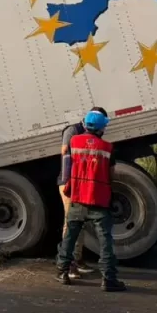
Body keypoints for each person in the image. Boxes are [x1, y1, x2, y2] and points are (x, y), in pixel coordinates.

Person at [56, 107, 126, 291]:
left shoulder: (74, 141)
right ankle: (108, 279)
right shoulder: (107, 148)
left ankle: (63, 272)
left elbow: (66, 166)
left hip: (78, 197)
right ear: (101, 128)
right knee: (105, 240)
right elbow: (111, 176)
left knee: (70, 236)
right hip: (99, 199)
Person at [57, 116, 93, 278]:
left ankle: (77, 260)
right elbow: (65, 151)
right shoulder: (72, 130)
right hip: (69, 183)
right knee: (70, 222)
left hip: (80, 182)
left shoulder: (88, 133)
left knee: (80, 221)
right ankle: (67, 264)